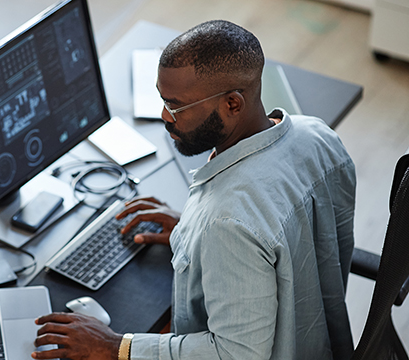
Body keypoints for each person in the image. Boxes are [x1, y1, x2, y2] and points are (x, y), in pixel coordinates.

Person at [31, 19, 356, 360]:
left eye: (176, 106)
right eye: (162, 99)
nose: (164, 116)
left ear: (232, 103)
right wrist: (193, 231)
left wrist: (117, 347)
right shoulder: (318, 135)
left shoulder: (227, 223)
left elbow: (236, 354)